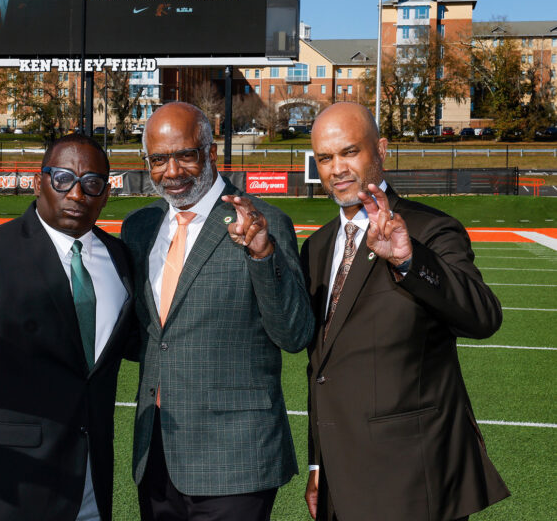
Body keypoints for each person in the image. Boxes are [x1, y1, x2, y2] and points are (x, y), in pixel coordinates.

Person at [301, 102, 510, 521]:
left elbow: (484, 316)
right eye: (325, 158)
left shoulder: (430, 229)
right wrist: (318, 462)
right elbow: (321, 367)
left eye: (349, 152)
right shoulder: (317, 246)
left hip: (414, 475)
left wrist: (410, 262)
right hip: (341, 475)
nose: (336, 168)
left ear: (381, 149)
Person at [0, 134, 134, 520]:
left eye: (92, 183)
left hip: (88, 481)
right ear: (38, 182)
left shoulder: (119, 258)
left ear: (106, 193)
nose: (77, 194)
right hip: (5, 483)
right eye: (63, 178)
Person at [120, 102, 314, 520]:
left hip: (236, 457)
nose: (172, 172)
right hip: (156, 453)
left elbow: (294, 334)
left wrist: (262, 253)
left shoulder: (263, 222)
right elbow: (149, 334)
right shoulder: (138, 227)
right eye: (158, 159)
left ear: (209, 151)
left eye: (185, 154)